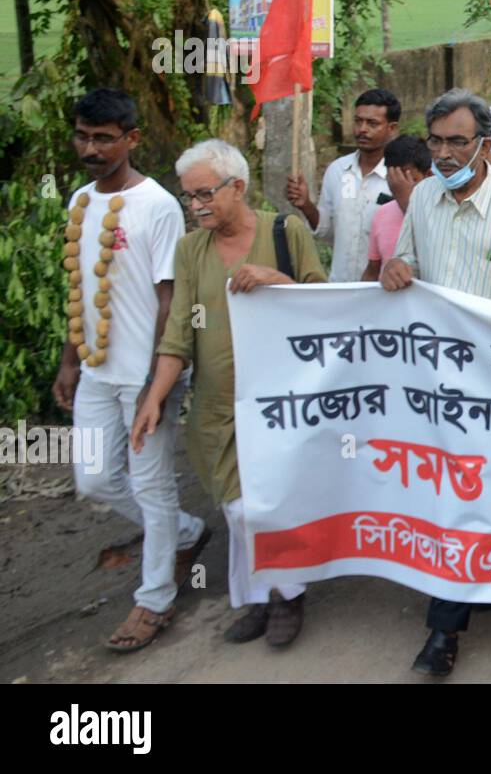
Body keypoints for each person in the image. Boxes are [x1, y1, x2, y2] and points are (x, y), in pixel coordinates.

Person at [381, 89, 491, 677]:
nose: (445, 152)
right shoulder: (424, 198)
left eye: (458, 141)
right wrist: (393, 268)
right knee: (454, 493)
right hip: (435, 380)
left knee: (480, 489)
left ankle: (442, 630)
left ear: (485, 142)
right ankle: (454, 608)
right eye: (436, 141)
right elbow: (403, 268)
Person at [133, 140, 326, 648]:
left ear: (237, 187)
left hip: (280, 402)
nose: (194, 206)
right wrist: (154, 396)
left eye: (203, 194)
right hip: (217, 408)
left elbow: (326, 308)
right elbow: (178, 332)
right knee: (239, 508)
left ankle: (283, 596)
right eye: (188, 196)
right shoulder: (191, 250)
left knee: (269, 503)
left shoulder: (286, 231)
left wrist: (276, 279)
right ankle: (268, 592)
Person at [53, 90, 207, 654]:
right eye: (82, 136)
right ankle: (186, 532)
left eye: (103, 138)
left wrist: (155, 383)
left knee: (151, 484)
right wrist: (70, 361)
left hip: (148, 374)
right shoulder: (79, 200)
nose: (90, 149)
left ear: (131, 139)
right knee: (93, 478)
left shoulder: (158, 205)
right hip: (96, 370)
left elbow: (170, 299)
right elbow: (78, 287)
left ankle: (156, 598)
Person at [286, 88, 400, 281]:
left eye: (372, 123)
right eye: (358, 121)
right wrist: (306, 205)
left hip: (384, 292)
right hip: (341, 287)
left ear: (392, 128)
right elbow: (327, 231)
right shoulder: (337, 170)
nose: (362, 129)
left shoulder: (400, 176)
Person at [361, 135, 432, 280]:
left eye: (409, 179)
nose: (399, 186)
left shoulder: (441, 212)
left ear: (428, 175)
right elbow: (373, 270)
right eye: (394, 179)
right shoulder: (382, 213)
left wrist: (407, 202)